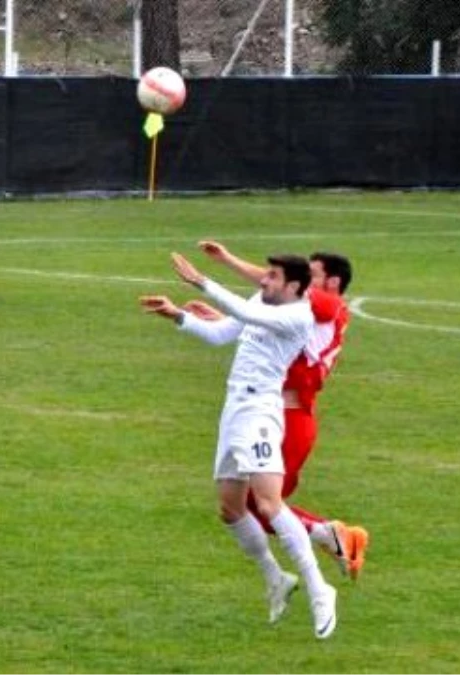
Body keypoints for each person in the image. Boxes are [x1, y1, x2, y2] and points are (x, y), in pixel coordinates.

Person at [140, 252, 337, 639]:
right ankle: (276, 578)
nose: (263, 282)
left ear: (294, 286)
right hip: (234, 409)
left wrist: (203, 282)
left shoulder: (299, 315)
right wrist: (178, 315)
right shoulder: (259, 301)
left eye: (272, 277)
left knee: (268, 503)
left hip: (262, 411)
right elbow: (221, 333)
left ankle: (319, 588)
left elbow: (251, 320)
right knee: (230, 509)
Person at [187, 242, 369, 579]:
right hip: (281, 413)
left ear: (330, 283)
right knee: (250, 507)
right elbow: (268, 319)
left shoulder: (326, 304)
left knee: (260, 508)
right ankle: (327, 538)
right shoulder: (307, 310)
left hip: (289, 416)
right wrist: (226, 321)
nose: (299, 280)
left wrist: (228, 261)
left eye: (310, 275)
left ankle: (328, 539)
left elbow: (274, 287)